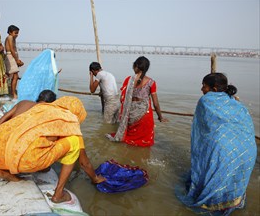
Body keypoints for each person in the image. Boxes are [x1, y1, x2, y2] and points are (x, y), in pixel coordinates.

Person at [0, 95, 106, 203]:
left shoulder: (40, 109)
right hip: (25, 160)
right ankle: (58, 194)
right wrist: (95, 178)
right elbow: (84, 163)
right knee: (74, 141)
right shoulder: (68, 120)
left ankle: (3, 171)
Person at [176, 73, 257, 215]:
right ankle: (231, 202)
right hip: (246, 150)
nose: (202, 89)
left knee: (213, 178)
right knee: (232, 177)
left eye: (204, 86)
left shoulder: (206, 100)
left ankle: (212, 204)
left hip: (223, 150)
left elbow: (201, 132)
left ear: (213, 88)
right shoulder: (235, 102)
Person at [106, 56, 167, 147]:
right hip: (144, 115)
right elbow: (156, 104)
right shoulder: (151, 82)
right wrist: (160, 117)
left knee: (129, 140)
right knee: (144, 143)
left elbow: (122, 98)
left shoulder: (128, 80)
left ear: (135, 66)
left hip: (130, 114)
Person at [4, 25, 24, 100]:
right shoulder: (10, 37)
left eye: (17, 33)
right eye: (15, 33)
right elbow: (12, 50)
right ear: (10, 32)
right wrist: (17, 60)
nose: (17, 35)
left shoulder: (12, 38)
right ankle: (13, 93)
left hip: (12, 57)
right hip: (10, 56)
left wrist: (18, 60)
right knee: (15, 75)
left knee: (11, 75)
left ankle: (10, 91)